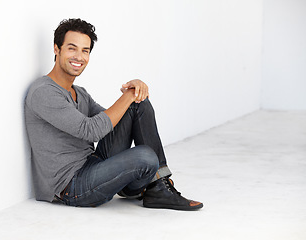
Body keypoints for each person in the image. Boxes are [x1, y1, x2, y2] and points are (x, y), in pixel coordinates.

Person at [24, 18, 203, 210]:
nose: (79, 56)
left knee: (137, 105)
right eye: (72, 48)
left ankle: (158, 187)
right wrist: (128, 95)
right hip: (72, 186)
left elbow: (114, 122)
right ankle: (152, 186)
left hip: (92, 165)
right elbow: (91, 131)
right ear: (56, 49)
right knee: (145, 157)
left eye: (85, 50)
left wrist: (134, 94)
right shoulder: (43, 92)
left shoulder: (80, 92)